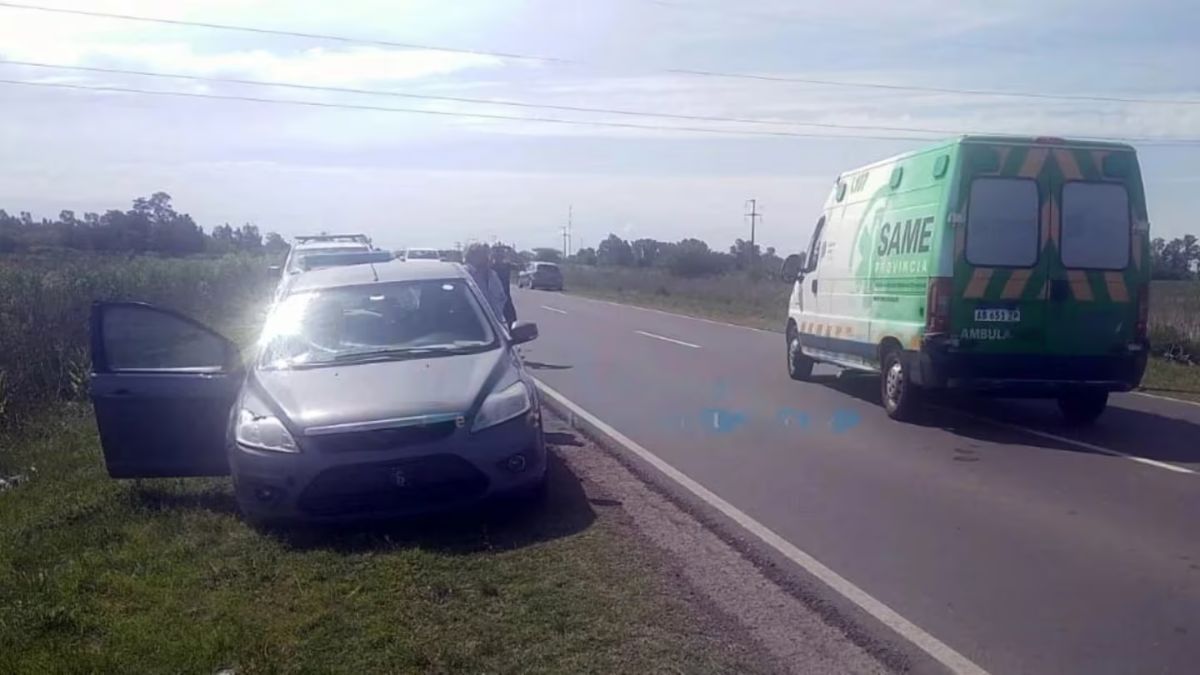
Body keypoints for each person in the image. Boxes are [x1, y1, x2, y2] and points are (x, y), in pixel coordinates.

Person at [464, 243, 509, 323]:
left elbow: (501, 299)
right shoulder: (464, 275)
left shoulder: (493, 275)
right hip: (472, 325)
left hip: (495, 324)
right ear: (470, 257)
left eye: (487, 254)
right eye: (481, 255)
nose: (486, 258)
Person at [491, 246, 518, 326]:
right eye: (498, 255)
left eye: (500, 255)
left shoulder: (507, 266)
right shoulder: (490, 267)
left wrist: (511, 252)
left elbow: (520, 266)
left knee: (511, 320)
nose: (499, 257)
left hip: (504, 296)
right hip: (495, 297)